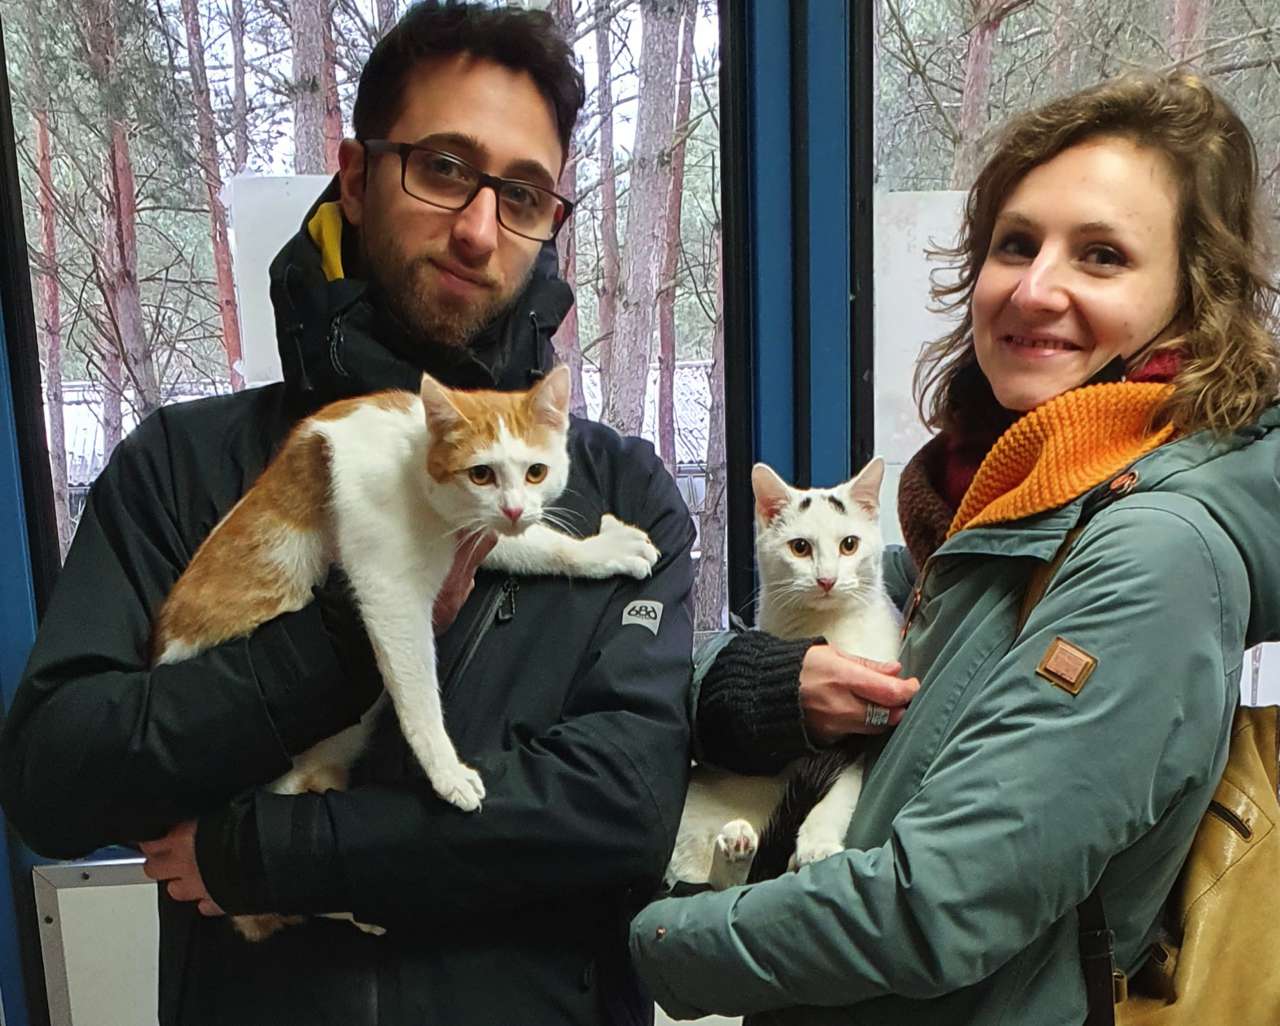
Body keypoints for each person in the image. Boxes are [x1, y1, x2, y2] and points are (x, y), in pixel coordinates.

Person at [0, 5, 695, 1025]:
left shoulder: (616, 492)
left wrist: (273, 851)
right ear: (359, 178)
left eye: (521, 194)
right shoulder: (186, 465)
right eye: (443, 168)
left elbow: (622, 809)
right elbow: (54, 782)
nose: (477, 229)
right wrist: (338, 639)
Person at [630, 71, 1280, 1025]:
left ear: (1193, 300)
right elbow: (739, 667)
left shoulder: (1151, 557)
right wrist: (764, 687)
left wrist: (653, 938)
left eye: (1101, 255)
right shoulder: (996, 511)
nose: (1035, 287)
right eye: (1016, 244)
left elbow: (937, 905)